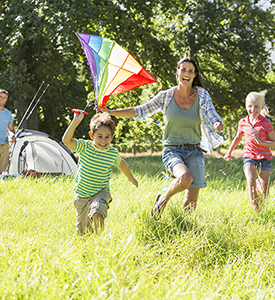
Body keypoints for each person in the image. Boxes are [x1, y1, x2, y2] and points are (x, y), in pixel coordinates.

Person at [101, 56, 223, 218]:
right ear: (177, 72)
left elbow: (211, 113)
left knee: (191, 204)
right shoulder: (166, 96)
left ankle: (184, 230)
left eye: (191, 71)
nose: (186, 73)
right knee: (186, 178)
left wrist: (217, 123)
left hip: (195, 150)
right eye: (183, 70)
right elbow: (140, 110)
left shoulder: (201, 95)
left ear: (194, 76)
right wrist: (111, 112)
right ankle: (164, 198)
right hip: (172, 150)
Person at [62, 111, 138, 235]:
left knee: (97, 212)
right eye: (99, 136)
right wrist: (75, 121)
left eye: (107, 137)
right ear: (92, 136)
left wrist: (131, 178)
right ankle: (90, 245)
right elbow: (66, 141)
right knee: (83, 232)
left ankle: (100, 241)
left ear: (112, 137)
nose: (103, 140)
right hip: (82, 195)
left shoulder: (112, 153)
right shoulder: (85, 147)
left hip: (101, 192)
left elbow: (122, 163)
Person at [224, 90, 275, 212]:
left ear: (261, 107)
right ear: (246, 106)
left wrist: (261, 142)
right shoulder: (243, 122)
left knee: (264, 190)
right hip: (249, 156)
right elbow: (238, 137)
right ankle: (256, 212)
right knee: (250, 182)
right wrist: (229, 151)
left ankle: (263, 209)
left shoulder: (266, 123)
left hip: (264, 157)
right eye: (250, 106)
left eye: (256, 106)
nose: (253, 109)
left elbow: (274, 142)